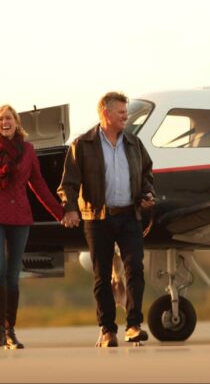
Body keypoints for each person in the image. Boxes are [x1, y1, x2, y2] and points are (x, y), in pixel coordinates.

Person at [58, 91, 155, 347]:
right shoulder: (83, 145)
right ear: (105, 113)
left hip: (129, 216)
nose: (126, 115)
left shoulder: (134, 143)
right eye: (121, 111)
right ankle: (107, 330)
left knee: (135, 269)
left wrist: (147, 194)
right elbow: (68, 183)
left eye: (126, 111)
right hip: (97, 218)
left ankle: (133, 325)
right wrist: (69, 208)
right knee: (102, 276)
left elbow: (147, 173)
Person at [0, 104, 64, 349]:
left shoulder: (28, 150)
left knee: (13, 275)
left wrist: (60, 214)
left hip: (20, 218)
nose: (4, 122)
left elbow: (38, 185)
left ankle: (11, 331)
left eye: (8, 118)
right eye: (0, 119)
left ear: (17, 123)